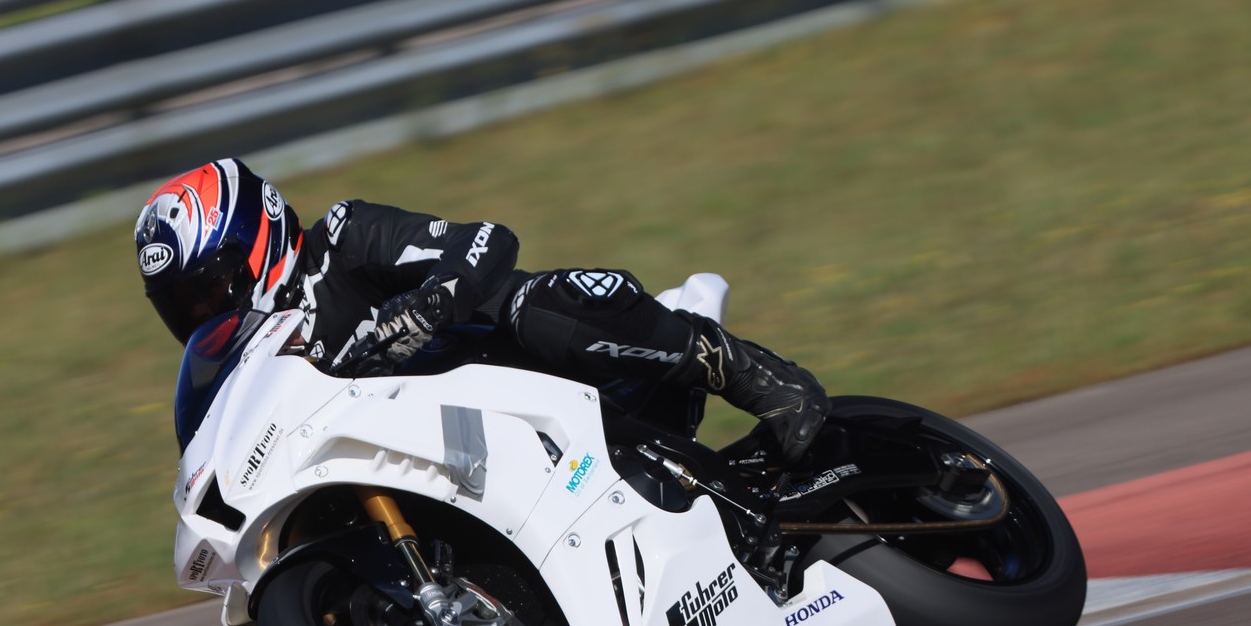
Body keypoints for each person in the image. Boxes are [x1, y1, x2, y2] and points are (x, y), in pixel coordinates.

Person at [135, 158, 828, 461]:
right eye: (183, 307)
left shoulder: (342, 240)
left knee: (533, 303)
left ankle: (753, 374)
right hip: (454, 462)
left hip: (534, 379)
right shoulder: (252, 374)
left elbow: (485, 241)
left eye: (210, 288)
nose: (204, 312)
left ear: (258, 233)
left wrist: (426, 305)